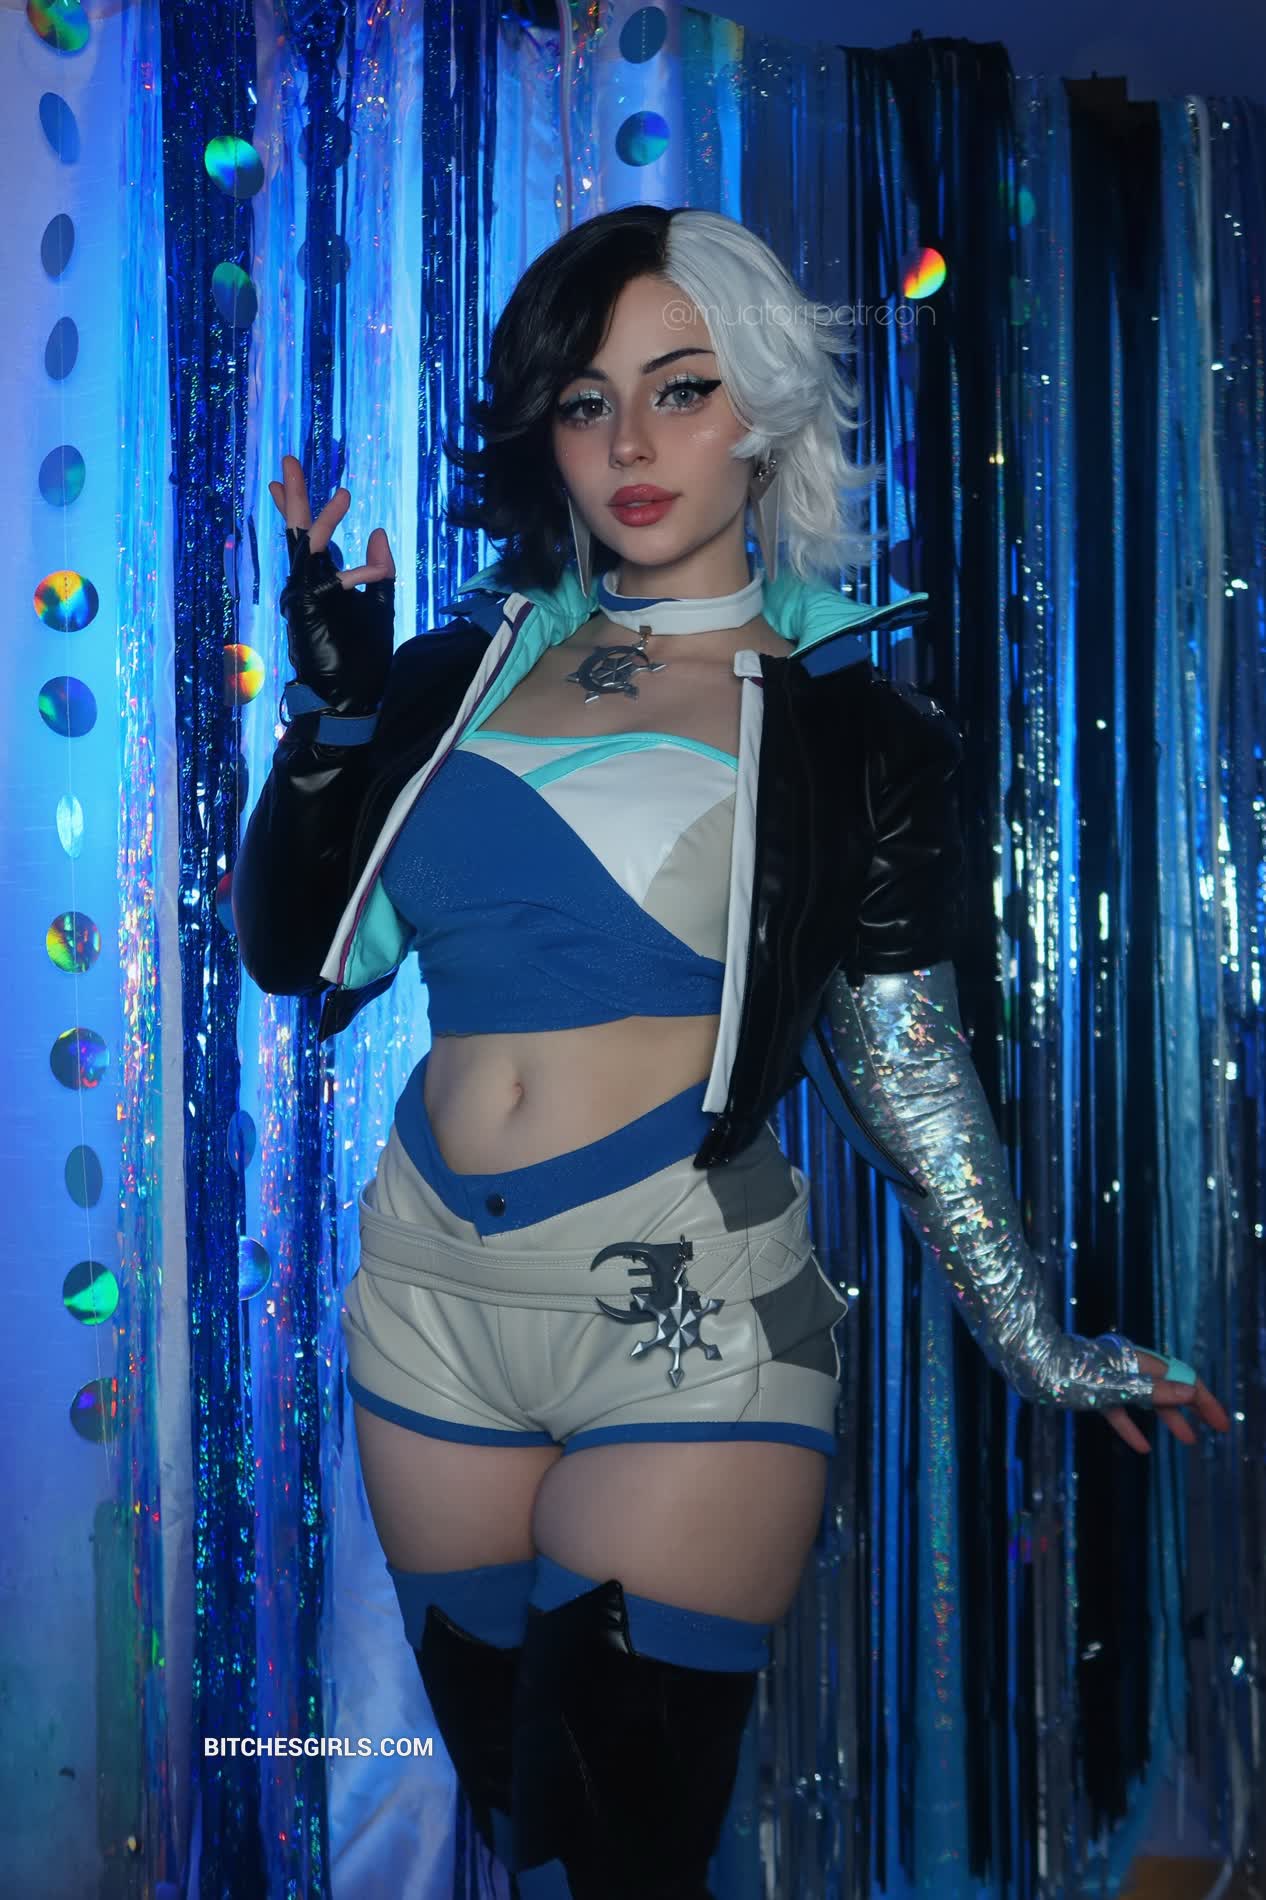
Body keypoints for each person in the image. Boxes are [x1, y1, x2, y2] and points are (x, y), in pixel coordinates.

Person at [234, 206, 1230, 1900]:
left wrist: (1035, 1340)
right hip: (426, 1303)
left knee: (612, 1859)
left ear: (761, 405)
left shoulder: (854, 727)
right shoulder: (462, 671)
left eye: (679, 389)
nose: (629, 443)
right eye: (585, 400)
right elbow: (292, 950)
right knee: (517, 1837)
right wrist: (330, 722)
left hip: (685, 1317)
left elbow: (904, 1066)